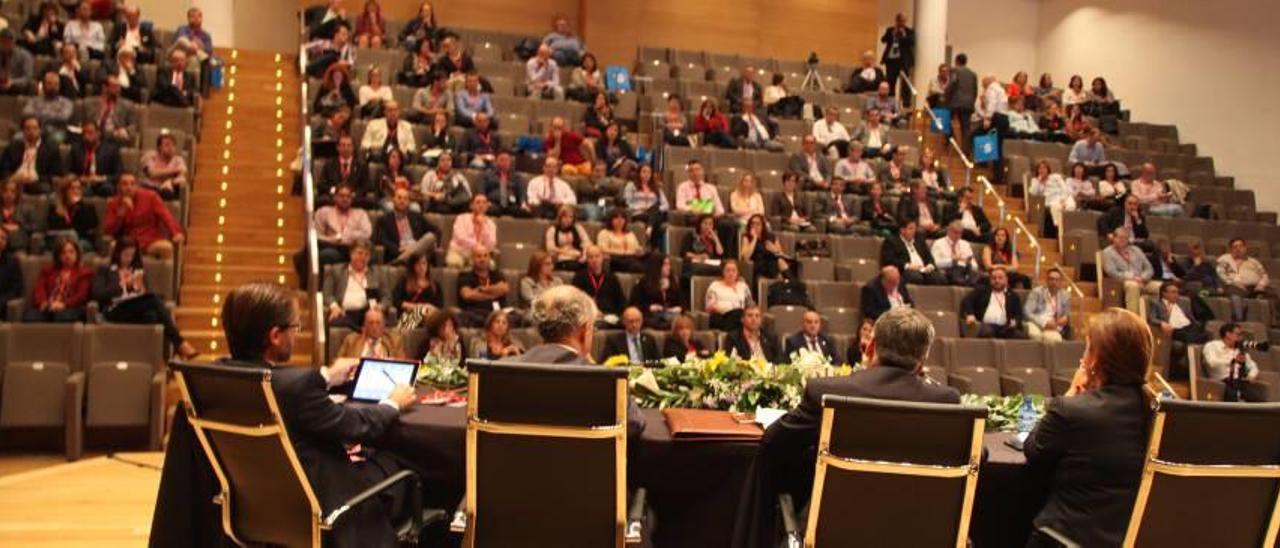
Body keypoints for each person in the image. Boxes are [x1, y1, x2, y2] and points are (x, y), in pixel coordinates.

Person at [150, 282, 420, 548]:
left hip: (245, 514)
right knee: (399, 470)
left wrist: (326, 376)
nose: (297, 334)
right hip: (318, 513)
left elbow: (282, 390)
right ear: (275, 336)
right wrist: (391, 403)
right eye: (294, 327)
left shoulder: (210, 382)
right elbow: (358, 427)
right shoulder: (297, 387)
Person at [748, 307, 959, 547]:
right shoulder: (945, 402)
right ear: (923, 360)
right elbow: (975, 457)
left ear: (870, 346)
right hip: (918, 535)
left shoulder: (826, 393)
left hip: (833, 534)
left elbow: (773, 442)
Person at [1025, 307, 1152, 546]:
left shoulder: (1072, 409)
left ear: (1096, 360)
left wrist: (1072, 393)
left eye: (1087, 348)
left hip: (1065, 539)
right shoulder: (1156, 413)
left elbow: (1034, 451)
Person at [512, 285, 648, 438]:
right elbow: (635, 423)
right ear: (584, 332)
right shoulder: (607, 383)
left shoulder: (504, 370)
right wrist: (595, 367)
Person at [105, 174, 184, 260]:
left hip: (150, 240)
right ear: (118, 187)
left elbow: (166, 216)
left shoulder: (151, 197)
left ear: (137, 186)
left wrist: (176, 232)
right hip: (128, 242)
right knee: (113, 246)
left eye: (132, 184)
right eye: (125, 184)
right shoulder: (113, 203)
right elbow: (109, 230)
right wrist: (121, 212)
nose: (129, 187)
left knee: (166, 247)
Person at [23, 238, 91, 322]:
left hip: (71, 307)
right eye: (63, 252)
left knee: (63, 317)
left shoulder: (84, 273)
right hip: (48, 306)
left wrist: (64, 304)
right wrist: (43, 303)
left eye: (71, 252)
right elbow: (39, 290)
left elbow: (81, 296)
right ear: (58, 256)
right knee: (31, 317)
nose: (67, 256)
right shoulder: (47, 272)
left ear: (77, 254)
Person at [321, 241, 383, 329]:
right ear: (351, 254)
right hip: (344, 313)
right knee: (335, 321)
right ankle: (360, 331)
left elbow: (387, 296)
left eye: (366, 255)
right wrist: (334, 307)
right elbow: (327, 294)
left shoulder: (376, 273)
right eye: (360, 253)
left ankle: (361, 330)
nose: (363, 257)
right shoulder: (336, 270)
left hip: (367, 313)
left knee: (376, 322)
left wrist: (380, 306)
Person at [1217, 238, 1280, 325]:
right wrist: (1233, 282)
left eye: (1241, 246)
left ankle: (1276, 322)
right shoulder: (1225, 259)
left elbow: (1264, 275)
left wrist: (1261, 284)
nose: (1238, 249)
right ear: (1231, 249)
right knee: (1234, 293)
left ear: (1245, 248)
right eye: (1235, 247)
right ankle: (1239, 321)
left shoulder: (1254, 262)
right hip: (1235, 287)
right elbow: (1220, 273)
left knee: (1272, 293)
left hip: (1254, 287)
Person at [1147, 282, 1209, 370]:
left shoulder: (1183, 302)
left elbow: (1191, 318)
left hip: (1188, 327)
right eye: (1173, 292)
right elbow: (1152, 318)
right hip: (1173, 329)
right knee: (1197, 337)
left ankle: (1188, 356)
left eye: (1177, 292)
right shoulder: (1156, 303)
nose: (1176, 295)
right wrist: (1162, 323)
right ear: (1164, 293)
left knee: (1203, 332)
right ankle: (1188, 357)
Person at [307, 184, 370, 269]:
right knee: (326, 254)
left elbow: (366, 233)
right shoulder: (323, 212)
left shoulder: (361, 213)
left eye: (348, 196)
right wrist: (333, 239)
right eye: (341, 196)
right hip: (333, 248)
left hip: (354, 248)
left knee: (367, 253)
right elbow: (317, 235)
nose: (345, 199)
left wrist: (346, 237)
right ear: (335, 197)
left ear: (352, 199)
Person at [1202, 323, 1267, 402]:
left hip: (1240, 382)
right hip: (1222, 382)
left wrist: (1251, 376)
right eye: (1238, 334)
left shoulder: (1239, 349)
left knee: (1259, 397)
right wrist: (1233, 360)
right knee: (1233, 395)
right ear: (1228, 334)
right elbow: (1212, 362)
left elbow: (1253, 366)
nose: (1241, 337)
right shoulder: (1212, 346)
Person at [373, 187, 438, 264]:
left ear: (409, 202)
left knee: (430, 237)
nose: (402, 201)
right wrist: (399, 249)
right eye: (399, 198)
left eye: (405, 199)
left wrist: (414, 248)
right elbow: (381, 239)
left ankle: (403, 260)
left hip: (417, 254)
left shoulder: (417, 217)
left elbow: (436, 231)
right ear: (393, 200)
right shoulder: (384, 220)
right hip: (398, 253)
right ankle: (404, 258)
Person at [1102, 227, 1158, 313]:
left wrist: (1142, 278)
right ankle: (1133, 317)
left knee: (1161, 287)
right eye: (1120, 237)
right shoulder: (1108, 252)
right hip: (1122, 282)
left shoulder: (1136, 250)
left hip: (1142, 281)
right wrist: (1132, 278)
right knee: (1132, 286)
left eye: (1126, 238)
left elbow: (1149, 268)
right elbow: (1111, 272)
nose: (1123, 240)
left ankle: (1155, 316)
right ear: (1114, 238)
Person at [1, 116, 61, 195]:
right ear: (23, 131)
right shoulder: (12, 148)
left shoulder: (51, 150)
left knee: (44, 188)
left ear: (40, 130)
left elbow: (55, 175)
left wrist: (36, 178)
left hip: (37, 182)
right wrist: (12, 177)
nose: (31, 131)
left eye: (35, 128)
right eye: (28, 128)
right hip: (15, 181)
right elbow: (3, 170)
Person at [962, 266, 1025, 339]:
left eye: (1000, 278)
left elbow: (1018, 314)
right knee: (987, 332)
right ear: (990, 280)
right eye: (994, 278)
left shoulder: (1013, 296)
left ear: (1006, 280)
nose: (997, 280)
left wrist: (1014, 322)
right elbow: (967, 300)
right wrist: (970, 314)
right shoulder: (982, 291)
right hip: (986, 325)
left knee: (1021, 337)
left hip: (1005, 327)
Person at [456, 245, 509, 328]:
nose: (482, 259)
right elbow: (467, 295)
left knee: (518, 317)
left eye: (485, 256)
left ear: (489, 258)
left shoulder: (497, 274)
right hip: (475, 312)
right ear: (472, 259)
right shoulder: (465, 276)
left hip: (498, 313)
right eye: (479, 256)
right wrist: (494, 293)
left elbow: (504, 289)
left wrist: (482, 289)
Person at [572, 245, 625, 326]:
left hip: (609, 315)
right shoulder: (579, 277)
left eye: (597, 256)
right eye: (591, 257)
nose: (594, 260)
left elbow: (621, 301)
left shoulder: (611, 277)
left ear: (602, 257)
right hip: (588, 315)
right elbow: (575, 301)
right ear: (587, 259)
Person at [881, 220, 943, 286]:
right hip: (905, 270)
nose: (913, 231)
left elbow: (929, 256)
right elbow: (889, 260)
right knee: (916, 277)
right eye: (910, 229)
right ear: (902, 230)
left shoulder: (919, 239)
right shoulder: (891, 241)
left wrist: (930, 265)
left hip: (923, 269)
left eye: (914, 229)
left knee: (939, 278)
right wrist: (908, 265)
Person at [68, 121, 120, 197]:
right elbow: (69, 172)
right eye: (84, 133)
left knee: (107, 189)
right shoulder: (76, 150)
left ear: (98, 133)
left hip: (102, 182)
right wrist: (79, 178)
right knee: (82, 192)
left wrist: (101, 178)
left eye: (90, 133)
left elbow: (118, 174)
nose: (86, 136)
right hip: (83, 183)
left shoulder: (111, 150)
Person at [319, 135, 373, 207]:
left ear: (353, 148)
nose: (346, 148)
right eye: (343, 145)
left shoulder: (361, 165)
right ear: (338, 147)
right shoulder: (329, 164)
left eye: (349, 145)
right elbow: (322, 184)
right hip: (333, 199)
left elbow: (366, 185)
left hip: (355, 200)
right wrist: (335, 192)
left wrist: (355, 194)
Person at [740, 214, 796, 284]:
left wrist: (774, 249)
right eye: (752, 223)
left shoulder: (771, 236)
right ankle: (794, 287)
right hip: (758, 264)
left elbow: (780, 253)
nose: (755, 226)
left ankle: (791, 286)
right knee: (780, 265)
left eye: (758, 224)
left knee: (782, 262)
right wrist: (754, 239)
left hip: (772, 262)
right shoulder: (747, 237)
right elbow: (745, 256)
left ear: (763, 226)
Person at [391, 253, 441, 330]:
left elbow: (439, 306)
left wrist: (429, 308)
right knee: (423, 311)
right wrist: (420, 307)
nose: (422, 267)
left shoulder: (435, 285)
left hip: (431, 315)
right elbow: (397, 301)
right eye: (418, 264)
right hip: (409, 316)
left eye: (424, 263)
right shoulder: (404, 281)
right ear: (413, 266)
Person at [46, 177, 97, 252]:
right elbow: (53, 227)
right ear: (65, 191)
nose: (76, 191)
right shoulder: (55, 208)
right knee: (61, 246)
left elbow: (91, 225)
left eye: (78, 188)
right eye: (72, 188)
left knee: (78, 245)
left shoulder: (88, 208)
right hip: (60, 240)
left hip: (81, 240)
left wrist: (79, 206)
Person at [445, 194, 496, 268]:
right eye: (478, 202)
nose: (481, 205)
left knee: (490, 265)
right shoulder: (461, 218)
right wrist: (476, 245)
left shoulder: (491, 224)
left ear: (487, 206)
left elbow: (491, 244)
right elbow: (460, 237)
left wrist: (483, 226)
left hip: (480, 255)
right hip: (459, 252)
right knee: (454, 262)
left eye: (484, 203)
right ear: (471, 206)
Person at [335, 308, 405, 360]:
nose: (374, 327)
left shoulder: (394, 341)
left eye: (378, 323)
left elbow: (403, 366)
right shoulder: (351, 340)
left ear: (384, 326)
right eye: (371, 323)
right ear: (364, 326)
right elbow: (337, 362)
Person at [1025, 267, 1073, 343]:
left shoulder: (1065, 295)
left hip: (1053, 326)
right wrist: (1044, 323)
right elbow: (1027, 312)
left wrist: (1064, 318)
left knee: (1056, 340)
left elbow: (1066, 315)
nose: (1054, 282)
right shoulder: (1037, 292)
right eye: (1051, 279)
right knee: (1036, 336)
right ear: (1046, 281)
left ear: (1061, 282)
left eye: (1057, 280)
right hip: (1036, 323)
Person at [22, 72, 74, 141]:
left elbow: (63, 117)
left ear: (59, 86)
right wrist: (53, 115)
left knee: (54, 139)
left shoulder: (66, 102)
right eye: (49, 83)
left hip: (56, 131)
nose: (53, 87)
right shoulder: (34, 100)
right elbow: (26, 113)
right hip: (34, 130)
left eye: (56, 84)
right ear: (43, 85)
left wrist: (40, 115)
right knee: (18, 138)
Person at [706, 259, 753, 331]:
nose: (731, 273)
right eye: (727, 270)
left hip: (740, 316)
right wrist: (730, 309)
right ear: (723, 272)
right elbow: (709, 307)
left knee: (749, 317)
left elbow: (750, 304)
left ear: (737, 273)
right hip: (721, 317)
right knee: (739, 314)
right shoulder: (715, 285)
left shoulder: (743, 286)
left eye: (734, 270)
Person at [139, 133, 188, 200]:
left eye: (173, 145)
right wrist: (175, 170)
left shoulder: (178, 159)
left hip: (167, 190)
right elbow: (152, 174)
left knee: (169, 192)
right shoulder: (149, 155)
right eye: (167, 145)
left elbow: (182, 176)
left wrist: (170, 182)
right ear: (159, 147)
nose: (171, 148)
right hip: (149, 188)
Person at [944, 54, 978, 149]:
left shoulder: (954, 70)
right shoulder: (973, 74)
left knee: (947, 121)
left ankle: (950, 143)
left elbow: (953, 83)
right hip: (969, 103)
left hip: (956, 101)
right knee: (966, 127)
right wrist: (972, 101)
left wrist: (946, 94)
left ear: (956, 61)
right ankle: (965, 150)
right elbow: (975, 91)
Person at [597, 208, 646, 273]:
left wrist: (640, 250)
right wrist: (623, 253)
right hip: (615, 259)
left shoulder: (630, 234)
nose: (620, 220)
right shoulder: (604, 233)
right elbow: (602, 249)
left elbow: (636, 247)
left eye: (622, 218)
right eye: (616, 218)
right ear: (610, 220)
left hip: (633, 257)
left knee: (654, 256)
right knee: (635, 265)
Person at [931, 221, 980, 286]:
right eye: (955, 232)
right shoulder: (938, 243)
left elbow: (975, 265)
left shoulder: (965, 244)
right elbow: (934, 263)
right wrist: (952, 261)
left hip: (965, 270)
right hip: (948, 270)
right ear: (948, 231)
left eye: (960, 233)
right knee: (956, 274)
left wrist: (968, 263)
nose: (958, 236)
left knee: (981, 277)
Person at [480, 151, 526, 217]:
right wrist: (485, 202)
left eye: (507, 160)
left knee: (524, 212)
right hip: (493, 203)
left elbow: (522, 192)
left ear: (510, 162)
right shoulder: (487, 175)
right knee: (490, 210)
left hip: (511, 204)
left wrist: (522, 203)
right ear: (496, 161)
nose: (504, 162)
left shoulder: (517, 177)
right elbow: (481, 191)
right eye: (501, 160)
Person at [545, 204, 590, 271]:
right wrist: (568, 252)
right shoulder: (552, 230)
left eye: (571, 217)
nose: (568, 220)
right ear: (560, 217)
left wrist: (584, 255)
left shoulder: (578, 228)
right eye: (565, 217)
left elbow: (587, 242)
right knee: (574, 266)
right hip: (561, 258)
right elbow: (550, 248)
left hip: (578, 257)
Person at [1031, 160, 1073, 231]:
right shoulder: (1035, 180)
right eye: (1040, 168)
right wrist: (1038, 181)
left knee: (1070, 206)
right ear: (1037, 170)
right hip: (1050, 201)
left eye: (1044, 168)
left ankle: (1067, 226)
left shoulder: (1056, 177)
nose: (1042, 170)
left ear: (1048, 169)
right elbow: (1033, 193)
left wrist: (1063, 199)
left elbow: (1065, 189)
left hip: (1063, 198)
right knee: (1056, 208)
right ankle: (1059, 228)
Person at [681, 213, 726, 279]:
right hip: (695, 264)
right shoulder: (691, 236)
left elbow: (720, 253)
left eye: (710, 224)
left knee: (724, 268)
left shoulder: (712, 238)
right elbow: (685, 253)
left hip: (710, 264)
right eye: (705, 223)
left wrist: (716, 239)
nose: (708, 226)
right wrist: (699, 257)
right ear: (699, 224)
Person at [879, 13, 914, 96]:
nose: (901, 23)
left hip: (903, 61)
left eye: (903, 21)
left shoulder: (909, 31)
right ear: (896, 21)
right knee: (890, 82)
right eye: (900, 21)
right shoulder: (890, 29)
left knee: (905, 83)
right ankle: (891, 101)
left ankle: (906, 104)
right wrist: (892, 34)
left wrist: (904, 35)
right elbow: (883, 40)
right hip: (891, 60)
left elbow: (911, 42)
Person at [0, 180, 34, 252]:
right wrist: (3, 227)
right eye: (5, 191)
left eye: (12, 191)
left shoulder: (26, 209)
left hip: (18, 244)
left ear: (17, 193)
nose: (8, 194)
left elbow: (33, 227)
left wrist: (18, 227)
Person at [0, 230, 21, 319]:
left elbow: (16, 288)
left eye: (2, 238)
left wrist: (2, 301)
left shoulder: (12, 262)